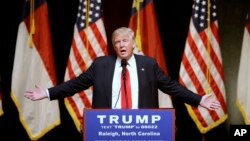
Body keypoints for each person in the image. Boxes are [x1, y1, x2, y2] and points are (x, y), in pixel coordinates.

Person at [24, 27, 220, 110]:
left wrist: (199, 100)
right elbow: (75, 85)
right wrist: (48, 93)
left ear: (133, 43)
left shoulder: (148, 65)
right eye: (117, 42)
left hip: (143, 130)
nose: (121, 45)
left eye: (125, 40)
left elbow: (171, 87)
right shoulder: (101, 65)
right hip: (109, 130)